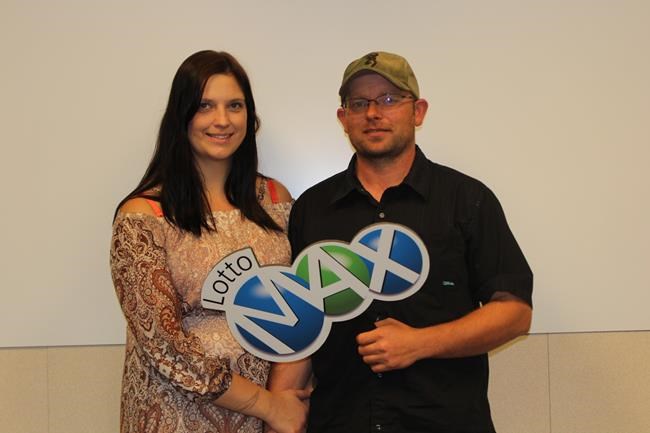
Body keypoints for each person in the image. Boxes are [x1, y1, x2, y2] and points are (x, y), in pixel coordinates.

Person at [267, 51, 533, 433]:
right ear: (343, 118)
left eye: (390, 99)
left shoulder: (467, 200)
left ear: (418, 111)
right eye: (359, 103)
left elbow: (515, 312)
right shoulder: (312, 209)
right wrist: (277, 409)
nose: (374, 113)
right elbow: (304, 322)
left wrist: (420, 343)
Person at [110, 50, 309, 433]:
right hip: (177, 416)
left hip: (272, 419)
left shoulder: (276, 200)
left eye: (235, 105)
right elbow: (164, 346)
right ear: (181, 116)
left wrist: (282, 402)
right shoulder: (143, 216)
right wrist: (267, 405)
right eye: (205, 106)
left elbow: (305, 306)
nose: (222, 120)